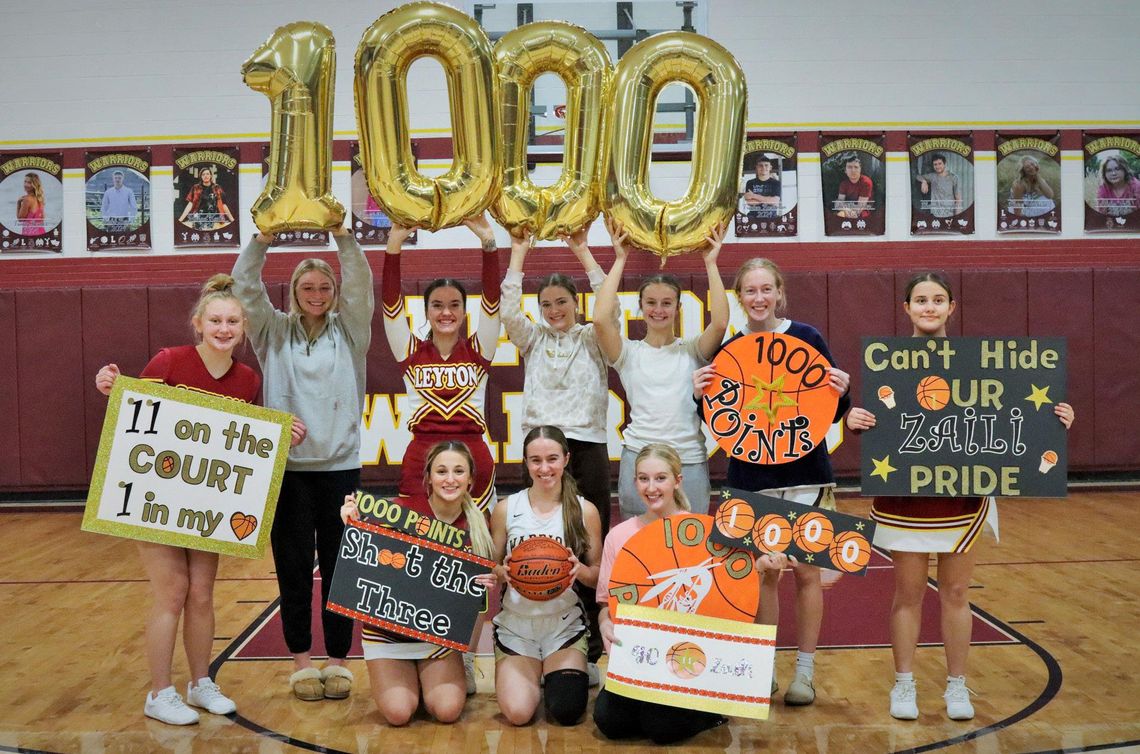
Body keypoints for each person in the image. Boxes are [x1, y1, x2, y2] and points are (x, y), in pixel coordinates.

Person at [845, 272, 1075, 722]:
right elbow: (871, 424)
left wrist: (1056, 420)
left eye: (937, 300)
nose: (928, 307)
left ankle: (956, 686)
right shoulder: (886, 364)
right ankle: (904, 683)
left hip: (964, 496)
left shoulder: (984, 364)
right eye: (920, 300)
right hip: (904, 496)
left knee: (954, 593)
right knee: (908, 595)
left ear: (953, 308)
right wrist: (854, 418)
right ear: (905, 308)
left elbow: (1018, 417)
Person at [94, 275, 266, 726]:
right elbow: (133, 411)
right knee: (172, 593)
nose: (224, 328)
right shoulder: (169, 360)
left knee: (204, 595)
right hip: (156, 496)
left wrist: (284, 429)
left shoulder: (247, 379)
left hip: (205, 500)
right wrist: (112, 385)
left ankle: (199, 682)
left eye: (232, 321)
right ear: (198, 323)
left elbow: (240, 442)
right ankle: (159, 692)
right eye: (215, 320)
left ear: (243, 327)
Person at [692, 257, 851, 707]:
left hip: (806, 476)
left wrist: (844, 391)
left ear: (780, 292)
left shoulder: (808, 338)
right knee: (762, 577)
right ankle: (761, 669)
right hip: (752, 478)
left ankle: (805, 672)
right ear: (739, 297)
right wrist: (698, 394)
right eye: (750, 291)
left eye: (766, 290)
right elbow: (718, 420)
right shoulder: (728, 349)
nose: (759, 298)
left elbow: (831, 410)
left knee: (806, 573)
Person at [232, 225, 373, 702]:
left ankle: (337, 661)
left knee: (340, 572)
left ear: (335, 294)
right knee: (292, 571)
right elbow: (243, 285)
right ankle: (301, 662)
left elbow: (360, 282)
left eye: (324, 287)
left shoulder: (351, 331)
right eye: (307, 288)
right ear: (292, 293)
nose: (316, 294)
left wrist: (342, 237)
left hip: (340, 471)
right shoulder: (272, 331)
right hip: (287, 472)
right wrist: (262, 239)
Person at [592, 443, 788, 744]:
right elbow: (607, 604)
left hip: (692, 662)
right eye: (643, 478)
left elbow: (755, 626)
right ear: (634, 483)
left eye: (660, 478)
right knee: (609, 722)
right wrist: (606, 622)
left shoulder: (713, 537)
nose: (651, 487)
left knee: (662, 728)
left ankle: (713, 708)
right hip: (642, 659)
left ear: (677, 481)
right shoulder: (619, 536)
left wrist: (768, 579)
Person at [500, 224, 616, 679]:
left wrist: (584, 251)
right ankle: (525, 631)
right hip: (544, 447)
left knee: (587, 548)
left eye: (561, 302)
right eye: (546, 304)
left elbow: (610, 305)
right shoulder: (533, 340)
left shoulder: (594, 337)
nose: (553, 311)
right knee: (536, 543)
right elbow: (510, 312)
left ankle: (587, 649)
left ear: (576, 303)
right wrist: (518, 255)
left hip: (586, 444)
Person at [340, 442, 497, 726]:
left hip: (435, 638)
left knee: (447, 711)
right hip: (388, 634)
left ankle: (432, 676)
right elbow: (364, 559)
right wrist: (353, 523)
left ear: (471, 478)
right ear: (429, 478)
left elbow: (477, 609)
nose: (450, 479)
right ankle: (406, 678)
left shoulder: (478, 527)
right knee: (399, 713)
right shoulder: (399, 512)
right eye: (442, 471)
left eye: (458, 471)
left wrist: (468, 655)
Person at [593, 218, 729, 518]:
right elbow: (601, 320)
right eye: (651, 302)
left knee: (690, 545)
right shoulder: (629, 353)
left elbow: (719, 322)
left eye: (667, 303)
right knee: (640, 544)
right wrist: (620, 259)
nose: (659, 309)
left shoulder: (693, 350)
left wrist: (710, 262)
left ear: (678, 308)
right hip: (639, 458)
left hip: (688, 460)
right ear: (640, 308)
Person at [382, 216, 501, 512]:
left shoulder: (478, 349)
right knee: (417, 545)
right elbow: (390, 305)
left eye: (454, 305)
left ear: (463, 311)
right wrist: (394, 245)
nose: (446, 312)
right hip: (421, 459)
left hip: (473, 458)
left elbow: (492, 302)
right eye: (437, 305)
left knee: (476, 545)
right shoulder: (410, 352)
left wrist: (488, 243)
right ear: (426, 311)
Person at [490, 426, 602, 726]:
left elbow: (598, 577)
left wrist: (580, 570)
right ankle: (529, 671)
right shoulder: (506, 509)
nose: (544, 468)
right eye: (535, 460)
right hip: (517, 627)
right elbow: (490, 569)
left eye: (552, 458)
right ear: (526, 463)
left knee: (566, 711)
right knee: (518, 714)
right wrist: (505, 571)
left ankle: (562, 671)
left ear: (566, 458)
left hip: (563, 627)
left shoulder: (584, 511)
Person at [915, 153, 962, 218]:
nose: (937, 166)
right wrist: (924, 181)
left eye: (940, 163)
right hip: (935, 214)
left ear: (944, 164)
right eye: (935, 164)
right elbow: (918, 176)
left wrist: (957, 217)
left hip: (949, 214)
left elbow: (958, 200)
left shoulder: (953, 178)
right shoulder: (932, 176)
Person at [835, 154, 873, 219]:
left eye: (856, 167)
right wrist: (846, 210)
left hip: (864, 212)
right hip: (848, 210)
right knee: (839, 215)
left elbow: (859, 208)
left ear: (860, 169)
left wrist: (845, 209)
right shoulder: (844, 184)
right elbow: (838, 203)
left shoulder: (866, 182)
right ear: (845, 171)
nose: (853, 170)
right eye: (849, 167)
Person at [16, 172, 45, 236]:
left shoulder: (27, 199)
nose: (26, 184)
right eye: (25, 181)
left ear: (35, 185)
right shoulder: (40, 198)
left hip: (30, 234)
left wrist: (18, 203)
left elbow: (20, 219)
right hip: (41, 233)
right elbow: (42, 218)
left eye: (29, 183)